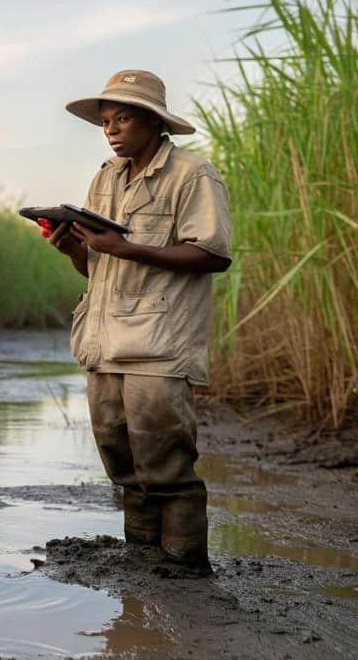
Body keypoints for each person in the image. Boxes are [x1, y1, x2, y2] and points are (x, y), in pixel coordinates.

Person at [48, 69, 233, 575]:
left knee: (166, 465)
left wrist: (127, 246)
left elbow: (213, 255)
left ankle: (186, 569)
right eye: (106, 121)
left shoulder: (192, 174)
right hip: (103, 341)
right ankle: (144, 562)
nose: (110, 129)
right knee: (122, 462)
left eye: (123, 118)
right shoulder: (104, 177)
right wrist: (71, 249)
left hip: (158, 344)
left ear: (154, 121)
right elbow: (101, 265)